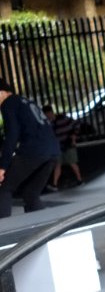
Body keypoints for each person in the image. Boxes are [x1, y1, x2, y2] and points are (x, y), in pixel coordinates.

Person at [0, 80, 60, 218]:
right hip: (52, 151)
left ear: (2, 92)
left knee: (4, 189)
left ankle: (4, 234)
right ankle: (41, 231)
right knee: (31, 194)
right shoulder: (25, 101)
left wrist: (2, 167)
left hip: (33, 151)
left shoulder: (8, 103)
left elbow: (12, 135)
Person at [42, 104, 83, 190]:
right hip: (58, 146)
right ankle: (55, 184)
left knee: (72, 162)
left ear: (50, 112)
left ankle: (80, 180)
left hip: (67, 144)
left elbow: (76, 124)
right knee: (58, 164)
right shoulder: (49, 124)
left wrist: (73, 137)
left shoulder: (63, 119)